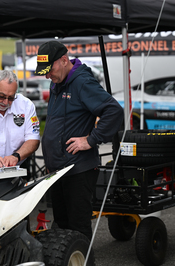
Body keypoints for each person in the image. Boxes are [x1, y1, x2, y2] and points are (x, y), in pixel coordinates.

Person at [35, 41, 123, 240]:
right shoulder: (58, 80)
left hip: (78, 170)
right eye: (45, 72)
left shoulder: (82, 82)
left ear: (64, 60)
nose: (48, 75)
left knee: (77, 230)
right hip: (58, 170)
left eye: (50, 70)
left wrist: (91, 140)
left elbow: (113, 110)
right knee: (61, 228)